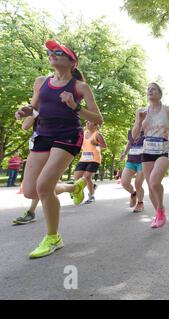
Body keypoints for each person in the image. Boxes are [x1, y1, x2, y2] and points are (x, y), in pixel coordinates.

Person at [14, 39, 103, 258]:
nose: (52, 53)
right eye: (51, 51)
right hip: (43, 134)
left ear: (72, 62)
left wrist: (76, 106)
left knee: (44, 187)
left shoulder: (80, 87)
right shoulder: (42, 82)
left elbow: (97, 118)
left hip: (68, 135)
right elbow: (34, 107)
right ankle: (73, 188)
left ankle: (53, 238)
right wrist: (26, 111)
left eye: (59, 52)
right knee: (30, 191)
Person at [132, 82, 169, 228]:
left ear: (160, 94)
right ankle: (158, 214)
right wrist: (139, 120)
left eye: (153, 89)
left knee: (155, 182)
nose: (150, 91)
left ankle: (161, 208)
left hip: (163, 149)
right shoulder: (142, 111)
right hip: (147, 150)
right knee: (150, 186)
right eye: (148, 89)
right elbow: (134, 135)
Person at [74, 121, 107, 204]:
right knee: (77, 177)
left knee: (87, 177)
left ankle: (91, 196)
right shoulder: (84, 133)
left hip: (94, 159)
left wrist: (97, 143)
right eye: (87, 123)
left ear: (95, 125)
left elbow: (104, 146)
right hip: (83, 158)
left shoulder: (97, 134)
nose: (87, 124)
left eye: (89, 123)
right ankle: (92, 186)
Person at [120, 129, 145, 213]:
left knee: (138, 184)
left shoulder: (148, 131)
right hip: (131, 160)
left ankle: (140, 203)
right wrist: (124, 153)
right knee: (124, 182)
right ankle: (133, 194)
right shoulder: (131, 131)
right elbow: (129, 143)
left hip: (143, 161)